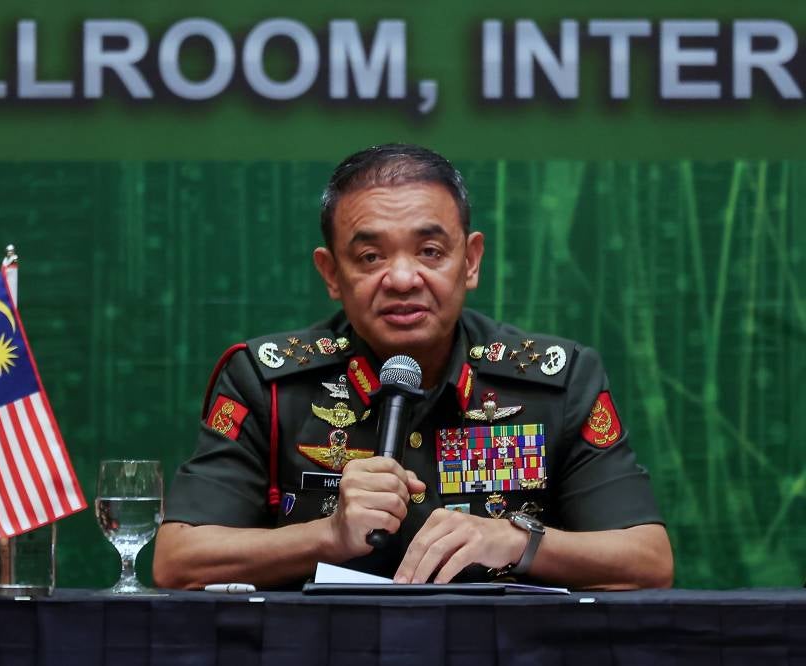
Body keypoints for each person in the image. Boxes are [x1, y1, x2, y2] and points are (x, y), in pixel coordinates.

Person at [152, 144, 673, 590]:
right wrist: (327, 536)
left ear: (470, 261)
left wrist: (516, 541)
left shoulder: (557, 382)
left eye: (429, 251)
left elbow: (647, 560)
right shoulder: (264, 382)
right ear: (331, 272)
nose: (402, 278)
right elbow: (178, 561)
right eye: (371, 257)